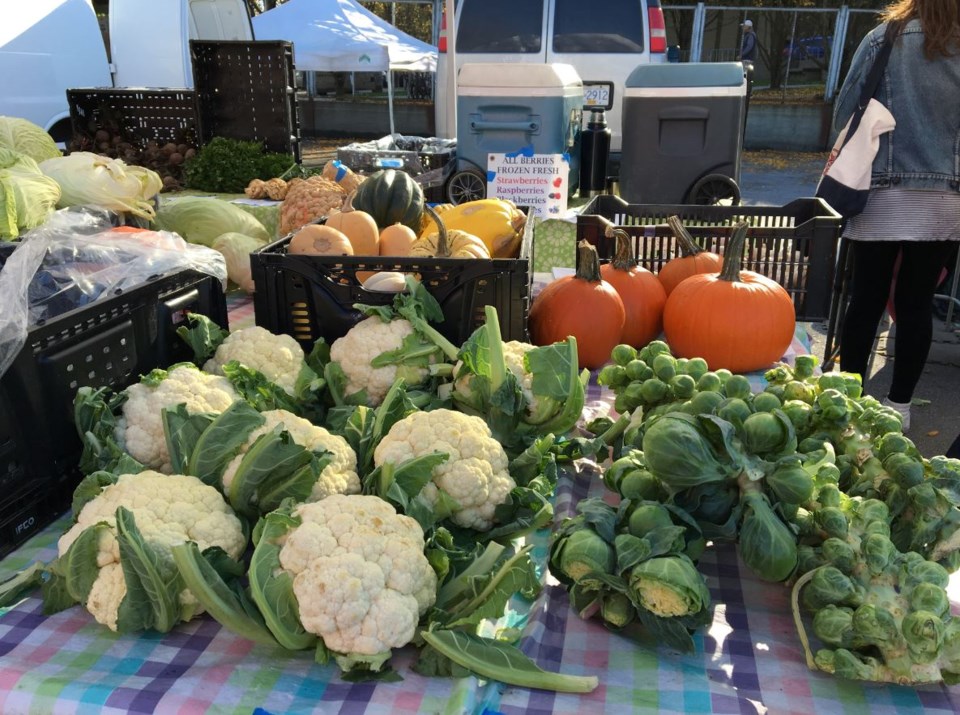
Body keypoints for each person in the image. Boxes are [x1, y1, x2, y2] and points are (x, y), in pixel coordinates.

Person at [835, 0, 960, 432]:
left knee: (865, 300)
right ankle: (899, 407)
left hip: (881, 193)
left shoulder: (883, 38)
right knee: (916, 303)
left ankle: (847, 405)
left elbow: (846, 109)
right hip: (947, 196)